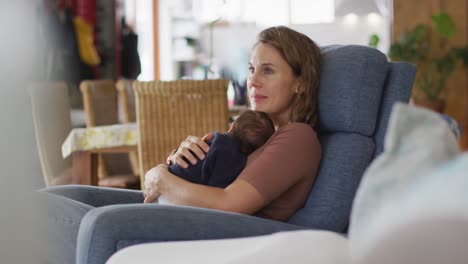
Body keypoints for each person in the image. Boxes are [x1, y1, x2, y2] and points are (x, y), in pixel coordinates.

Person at [37, 25, 323, 263]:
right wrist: (176, 159)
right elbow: (206, 178)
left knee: (40, 210)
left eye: (268, 71)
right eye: (251, 69)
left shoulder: (297, 137)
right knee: (58, 195)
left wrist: (160, 177)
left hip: (222, 233)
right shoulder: (257, 132)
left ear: (300, 83)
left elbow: (230, 204)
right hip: (183, 210)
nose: (253, 81)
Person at [158, 110, 275, 204]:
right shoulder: (239, 162)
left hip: (170, 184)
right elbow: (216, 188)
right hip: (174, 193)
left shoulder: (216, 139)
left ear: (233, 127)